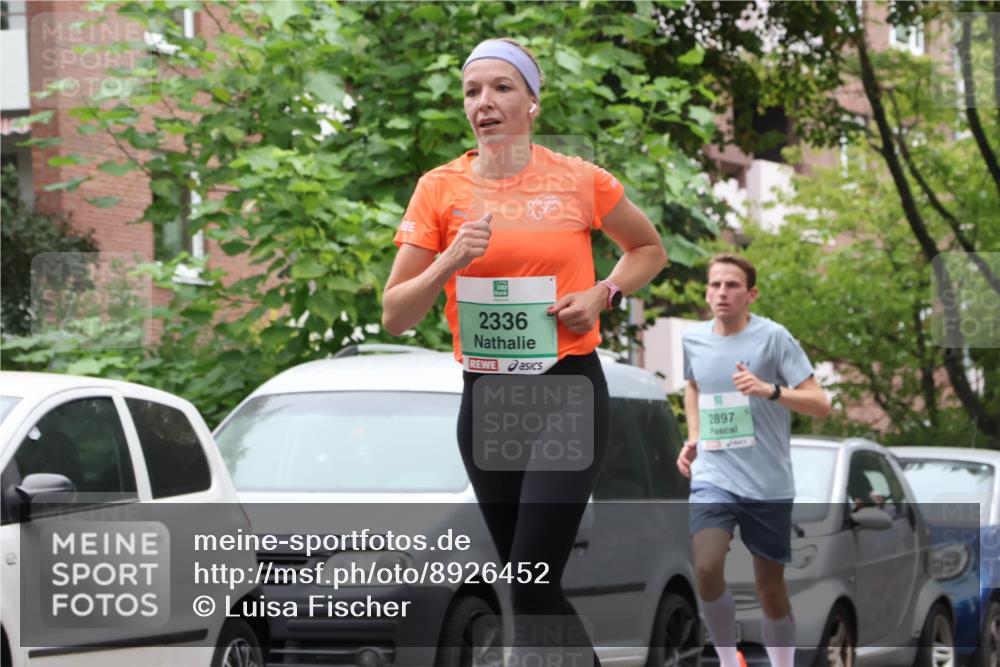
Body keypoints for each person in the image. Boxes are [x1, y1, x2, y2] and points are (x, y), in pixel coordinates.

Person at [382, 38, 666, 664]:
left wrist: (602, 293)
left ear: (531, 102)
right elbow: (396, 313)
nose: (484, 102)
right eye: (472, 91)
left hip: (567, 389)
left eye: (501, 88)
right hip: (487, 397)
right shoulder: (439, 190)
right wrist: (451, 259)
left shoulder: (578, 180)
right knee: (529, 584)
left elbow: (649, 250)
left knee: (531, 578)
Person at [675, 253, 831, 667]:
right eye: (715, 285)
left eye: (732, 285)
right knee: (707, 567)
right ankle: (730, 660)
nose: (722, 293)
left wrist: (770, 390)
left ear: (751, 294)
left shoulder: (774, 338)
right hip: (713, 474)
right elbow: (692, 385)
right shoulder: (693, 339)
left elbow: (820, 404)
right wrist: (694, 437)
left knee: (769, 589)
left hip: (768, 482)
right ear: (706, 292)